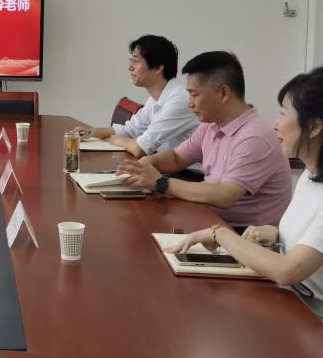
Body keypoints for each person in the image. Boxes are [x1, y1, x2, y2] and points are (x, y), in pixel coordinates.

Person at [166, 67, 323, 358]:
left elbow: (288, 271)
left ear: (314, 126)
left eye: (283, 112)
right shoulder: (314, 174)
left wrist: (220, 234)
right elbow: (315, 241)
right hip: (300, 318)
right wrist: (275, 232)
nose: (275, 123)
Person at [122, 51, 292, 228]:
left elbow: (225, 195)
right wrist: (145, 165)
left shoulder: (255, 137)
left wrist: (160, 182)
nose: (190, 103)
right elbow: (177, 157)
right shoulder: (211, 125)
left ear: (224, 93)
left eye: (194, 95)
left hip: (240, 234)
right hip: (208, 219)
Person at [76, 35, 198, 158]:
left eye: (136, 60)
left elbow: (141, 148)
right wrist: (93, 132)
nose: (130, 67)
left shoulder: (179, 99)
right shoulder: (156, 97)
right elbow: (130, 130)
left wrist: (109, 138)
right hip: (165, 164)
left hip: (188, 170)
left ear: (157, 68)